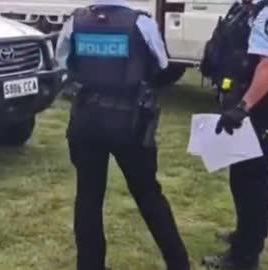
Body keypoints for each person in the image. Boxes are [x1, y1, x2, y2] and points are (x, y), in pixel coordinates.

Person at [55, 1, 190, 269]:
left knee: (88, 196)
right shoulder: (141, 22)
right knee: (149, 195)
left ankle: (90, 265)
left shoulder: (75, 21)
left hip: (86, 119)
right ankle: (178, 264)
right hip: (129, 121)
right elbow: (162, 64)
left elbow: (62, 61)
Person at [200, 0, 268, 269]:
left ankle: (246, 254)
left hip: (258, 106)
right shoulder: (246, 8)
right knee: (241, 175)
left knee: (251, 180)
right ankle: (244, 233)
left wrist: (245, 106)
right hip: (243, 101)